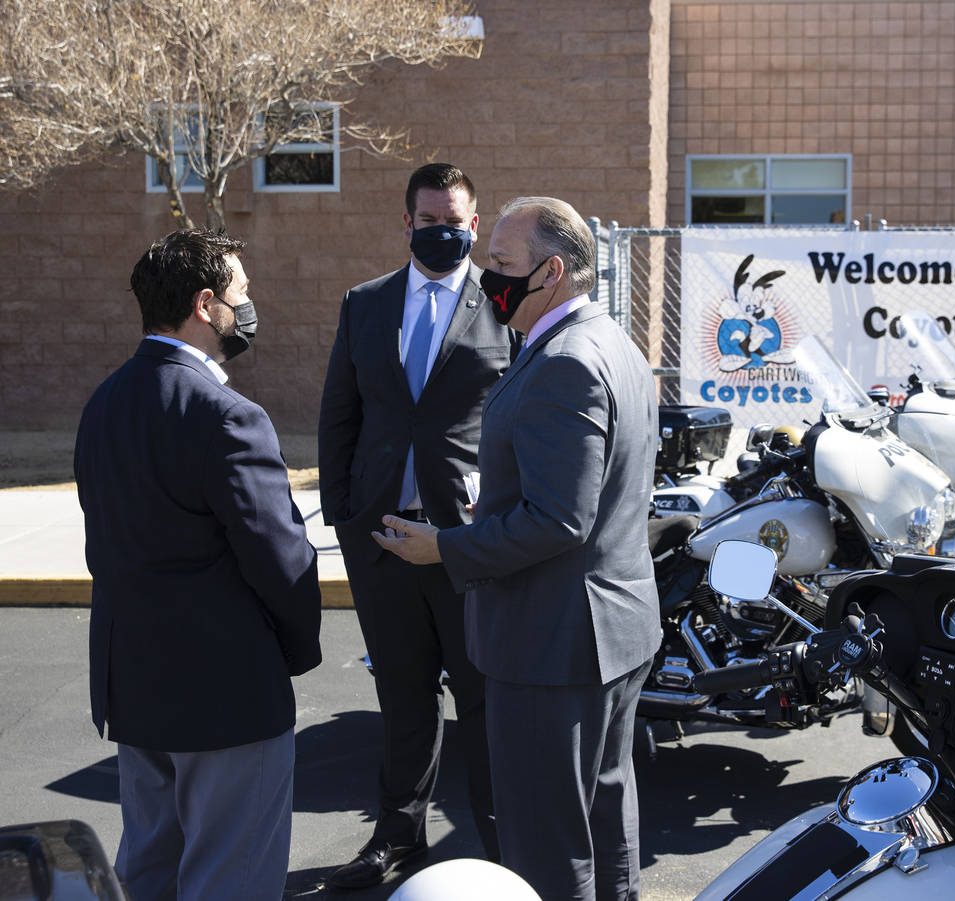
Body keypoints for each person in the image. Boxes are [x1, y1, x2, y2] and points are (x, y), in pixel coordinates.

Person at [372, 196, 661, 901]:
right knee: (604, 817)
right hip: (606, 630)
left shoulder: (566, 359)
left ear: (551, 272)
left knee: (547, 840)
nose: (486, 277)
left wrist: (447, 547)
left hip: (553, 643)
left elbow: (559, 521)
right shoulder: (609, 341)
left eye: (501, 262)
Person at [74, 228, 323, 901]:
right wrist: (295, 650)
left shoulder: (103, 402)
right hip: (226, 695)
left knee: (149, 871)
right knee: (229, 879)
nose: (250, 304)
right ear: (205, 304)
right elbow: (280, 559)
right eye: (242, 291)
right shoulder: (228, 416)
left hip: (134, 685)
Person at [318, 162, 519, 887]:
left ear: (475, 223)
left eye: (454, 222)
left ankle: (502, 847)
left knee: (483, 698)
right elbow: (339, 415)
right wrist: (345, 517)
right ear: (407, 223)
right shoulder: (364, 303)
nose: (442, 231)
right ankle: (398, 839)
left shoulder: (506, 303)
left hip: (466, 541)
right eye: (429, 220)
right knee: (402, 695)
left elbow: (524, 417)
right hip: (381, 538)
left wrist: (503, 523)